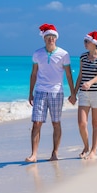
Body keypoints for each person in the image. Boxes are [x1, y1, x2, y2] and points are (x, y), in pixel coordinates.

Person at [25, 24, 76, 162]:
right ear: (44, 38)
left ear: (56, 38)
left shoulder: (63, 54)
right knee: (37, 123)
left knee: (56, 123)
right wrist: (30, 93)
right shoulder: (37, 54)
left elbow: (69, 75)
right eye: (48, 37)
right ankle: (34, 154)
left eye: (53, 37)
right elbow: (34, 74)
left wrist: (73, 93)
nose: (51, 39)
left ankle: (55, 153)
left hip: (56, 92)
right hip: (40, 91)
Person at [74, 31, 97, 160]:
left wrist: (90, 82)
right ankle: (86, 147)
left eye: (86, 41)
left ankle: (93, 151)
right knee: (82, 123)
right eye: (84, 41)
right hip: (83, 94)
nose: (85, 44)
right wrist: (74, 93)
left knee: (96, 123)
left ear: (94, 43)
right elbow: (80, 75)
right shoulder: (83, 57)